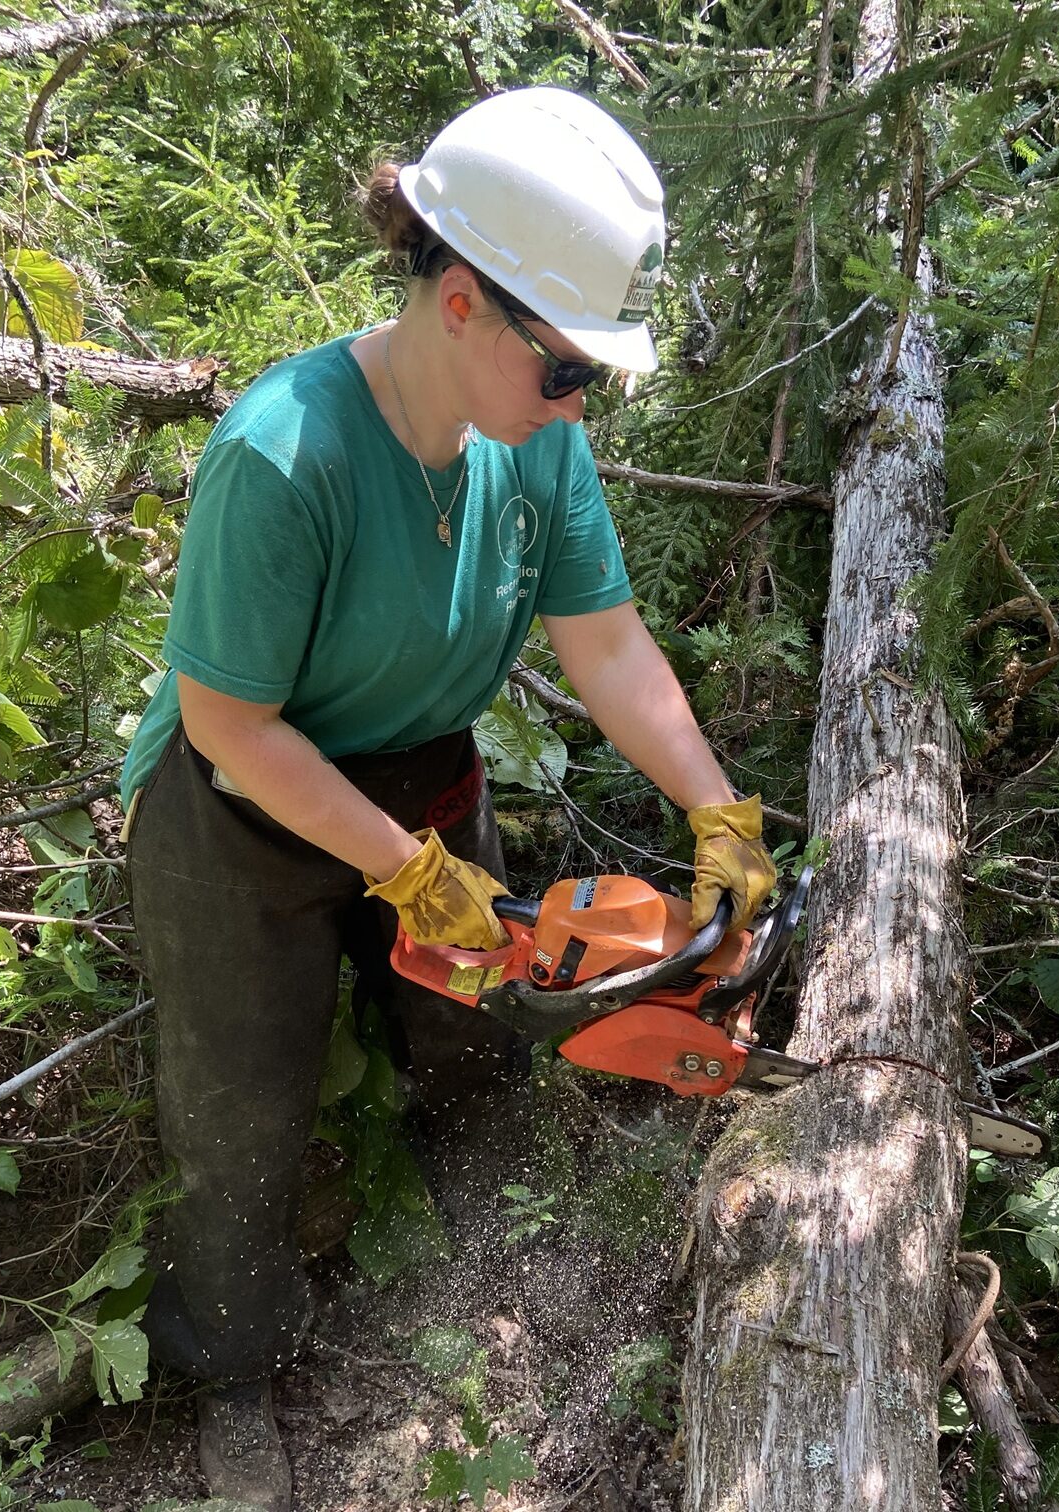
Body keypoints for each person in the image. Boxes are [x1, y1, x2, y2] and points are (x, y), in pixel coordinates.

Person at [120, 85, 777, 1510]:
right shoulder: (282, 454)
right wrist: (402, 872)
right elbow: (231, 724)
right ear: (466, 301)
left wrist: (717, 810)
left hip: (425, 772)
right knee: (240, 1099)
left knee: (482, 1031)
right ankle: (232, 1373)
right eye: (567, 370)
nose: (578, 400)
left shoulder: (536, 443)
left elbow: (603, 641)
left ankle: (480, 1273)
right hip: (240, 812)